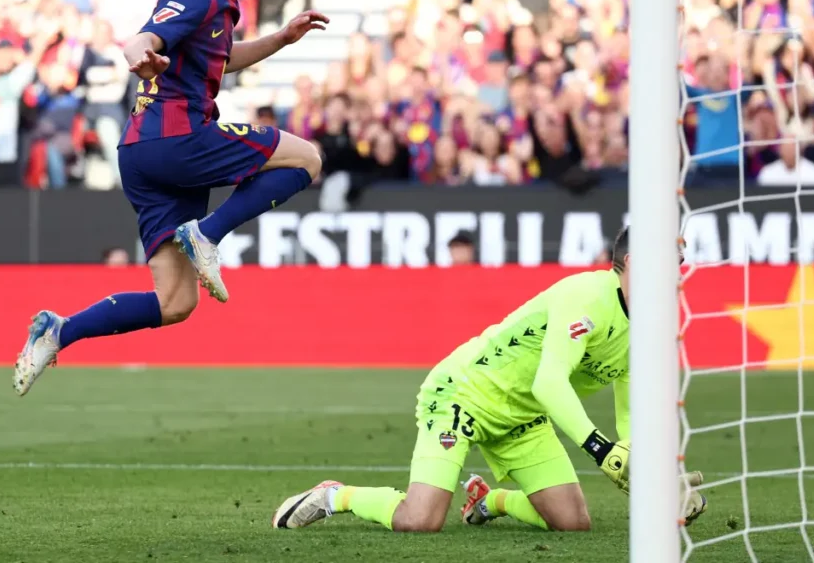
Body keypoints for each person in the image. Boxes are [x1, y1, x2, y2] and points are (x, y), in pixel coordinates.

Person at [13, 0, 330, 396]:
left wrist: (281, 40)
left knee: (176, 302)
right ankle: (207, 234)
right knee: (307, 158)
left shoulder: (219, 3)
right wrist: (142, 58)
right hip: (176, 139)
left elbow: (219, 60)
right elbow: (141, 40)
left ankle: (58, 331)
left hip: (146, 155)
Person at [271, 227, 707, 532]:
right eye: (673, 262)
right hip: (463, 394)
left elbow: (629, 415)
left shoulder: (647, 328)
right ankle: (335, 496)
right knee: (419, 521)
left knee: (572, 522)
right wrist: (601, 450)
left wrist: (649, 473)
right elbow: (550, 383)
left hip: (524, 418)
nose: (680, 272)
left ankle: (489, 500)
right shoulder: (587, 296)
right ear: (634, 262)